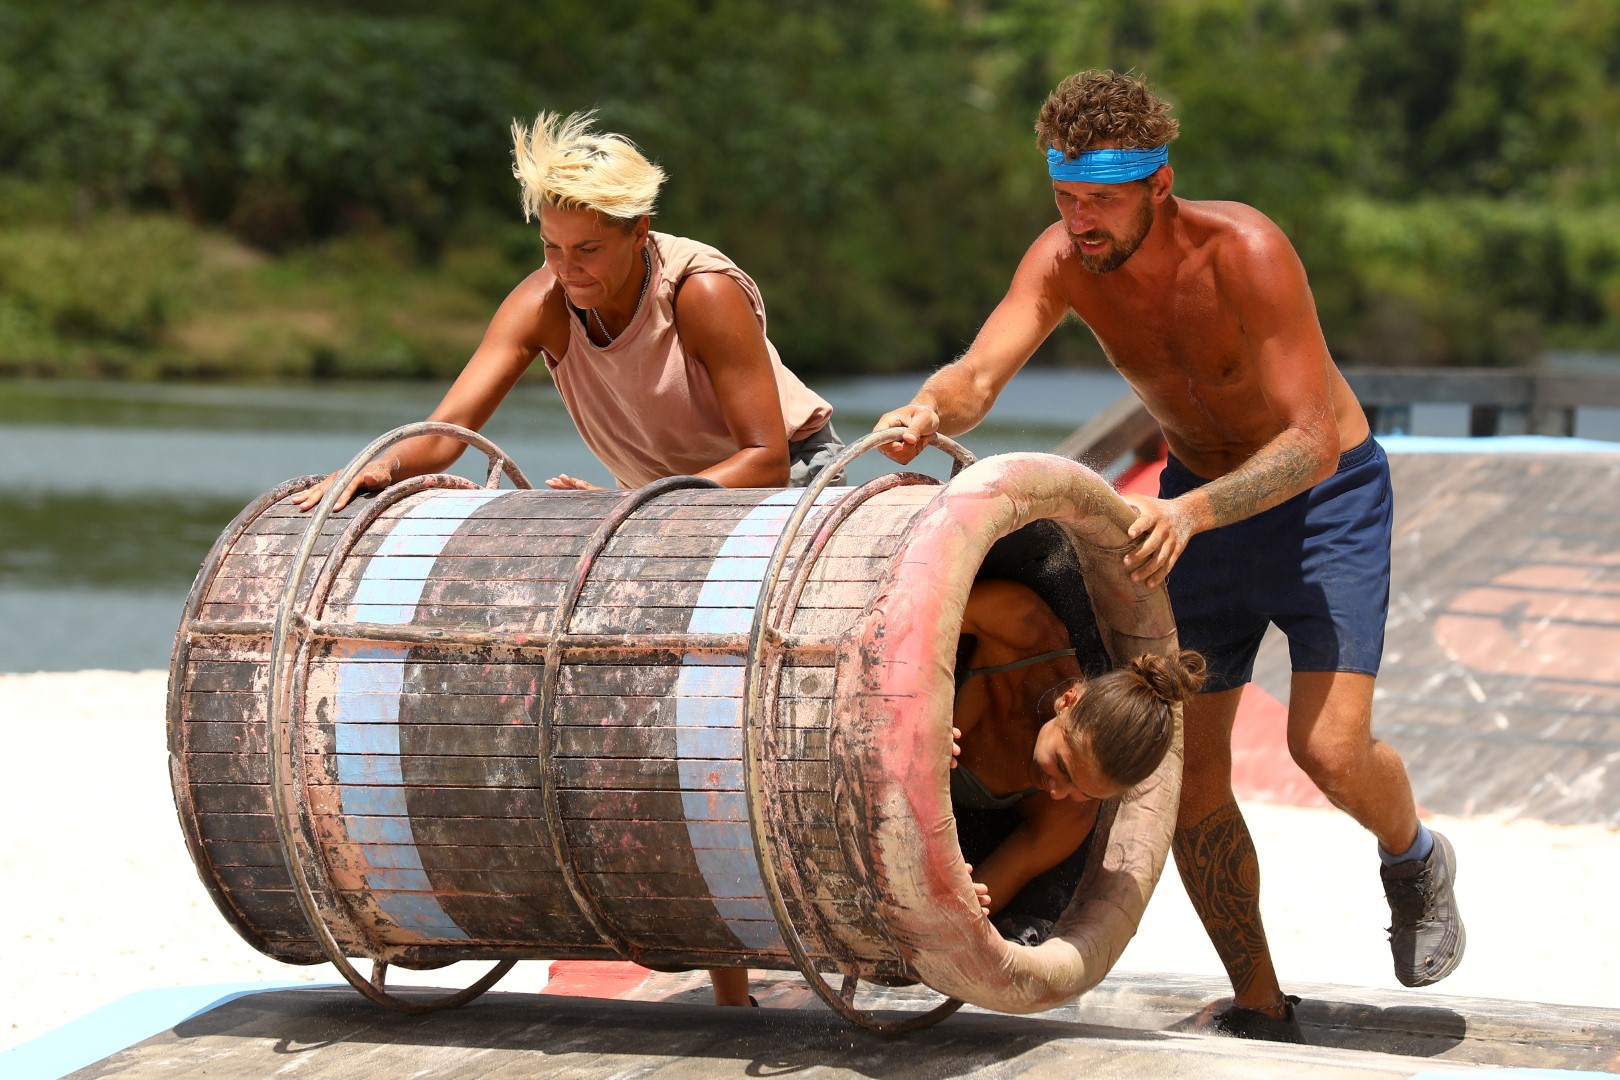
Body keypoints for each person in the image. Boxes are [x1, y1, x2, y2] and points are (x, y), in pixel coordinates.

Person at [875, 70, 1464, 1042]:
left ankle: (1413, 857)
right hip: (1194, 509)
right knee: (1191, 777)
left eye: (1102, 201)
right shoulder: (1065, 261)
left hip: (1325, 499)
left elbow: (1313, 437)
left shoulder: (1247, 251)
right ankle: (1261, 1002)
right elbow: (981, 371)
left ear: (1159, 184)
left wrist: (1192, 512)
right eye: (1066, 199)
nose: (1081, 221)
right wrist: (930, 408)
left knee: (1328, 751)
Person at [297, 109, 843, 1006]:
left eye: (587, 249)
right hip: (666, 511)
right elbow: (443, 439)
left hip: (776, 492)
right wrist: (369, 471)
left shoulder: (702, 293)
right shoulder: (545, 301)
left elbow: (765, 458)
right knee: (663, 732)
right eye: (552, 246)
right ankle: (732, 991)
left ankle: (769, 954)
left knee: (729, 723)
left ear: (638, 233)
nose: (567, 268)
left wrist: (634, 513)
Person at [950, 578, 1202, 944]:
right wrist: (919, 709)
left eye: (1082, 791)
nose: (1055, 791)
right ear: (1068, 701)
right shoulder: (1025, 628)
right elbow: (904, 611)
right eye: (1063, 767)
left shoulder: (1070, 816)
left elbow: (978, 895)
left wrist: (962, 904)